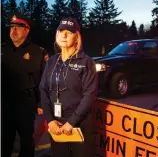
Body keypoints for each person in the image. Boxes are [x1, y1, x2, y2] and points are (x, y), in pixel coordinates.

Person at [39, 17, 98, 157]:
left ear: (76, 38)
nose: (64, 35)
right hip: (56, 125)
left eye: (69, 32)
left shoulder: (86, 62)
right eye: (61, 31)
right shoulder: (52, 61)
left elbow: (90, 94)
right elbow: (43, 89)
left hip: (80, 124)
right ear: (56, 35)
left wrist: (72, 122)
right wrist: (50, 120)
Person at [2, 13, 48, 157]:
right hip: (4, 102)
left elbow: (44, 79)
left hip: (26, 103)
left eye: (18, 27)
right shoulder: (3, 50)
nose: (13, 30)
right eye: (11, 27)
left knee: (26, 141)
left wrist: (41, 103)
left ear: (26, 30)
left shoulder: (38, 52)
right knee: (4, 140)